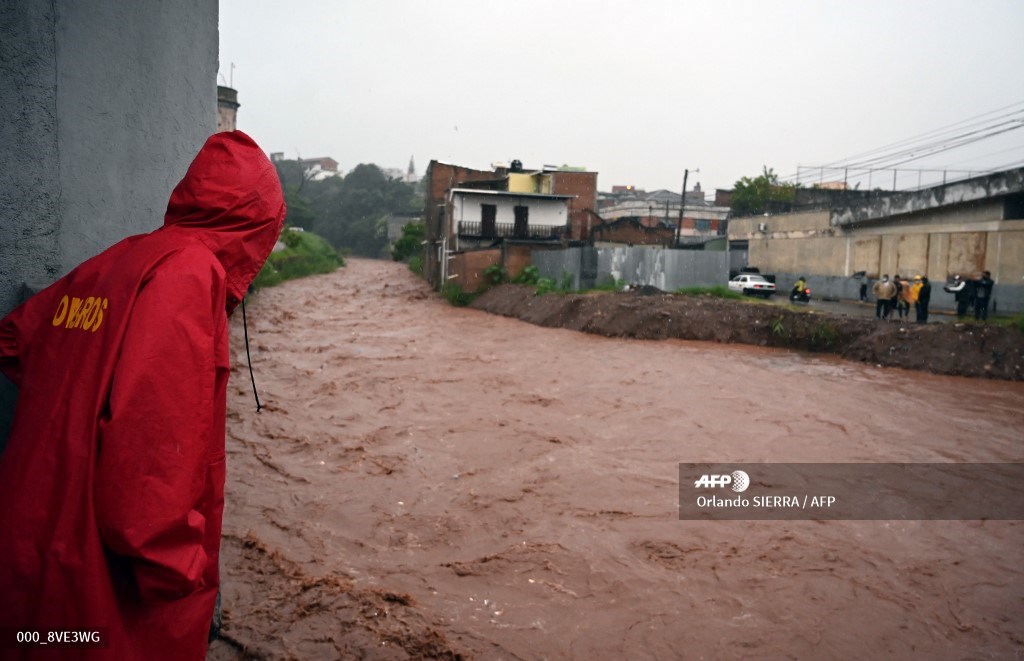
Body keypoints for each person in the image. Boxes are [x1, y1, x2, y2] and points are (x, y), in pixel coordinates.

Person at [0, 131, 286, 658]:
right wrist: (186, 574)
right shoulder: (190, 276)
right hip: (104, 582)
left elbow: (15, 340)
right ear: (257, 225)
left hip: (34, 534)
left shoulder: (122, 259)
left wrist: (79, 394)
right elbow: (149, 478)